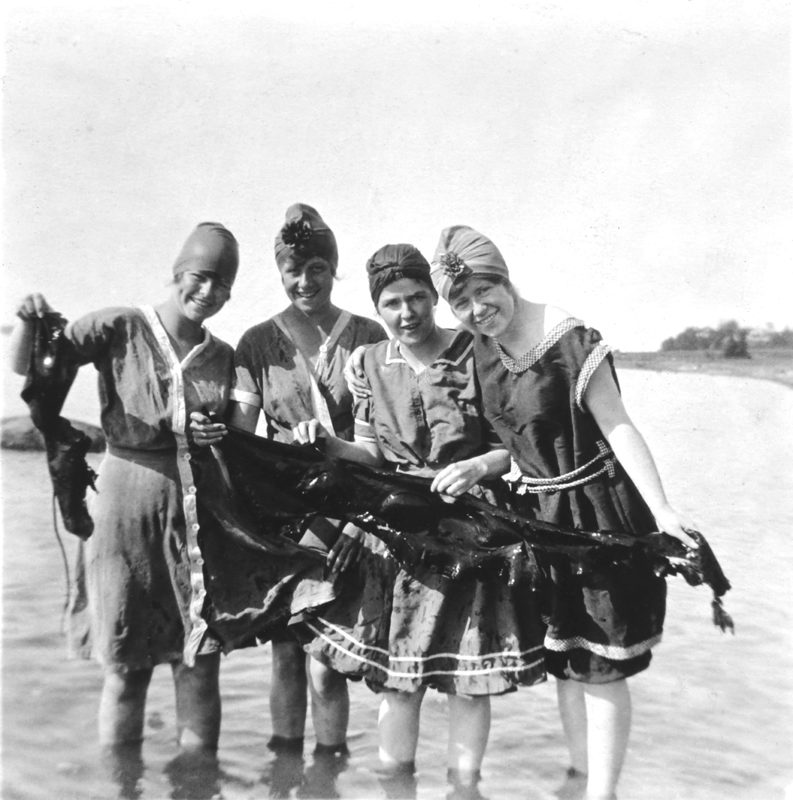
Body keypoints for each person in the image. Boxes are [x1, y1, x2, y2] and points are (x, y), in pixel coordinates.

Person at [428, 225, 698, 800]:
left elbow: (618, 426)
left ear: (504, 278)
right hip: (543, 519)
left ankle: (602, 794)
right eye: (462, 303)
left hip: (598, 512)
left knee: (603, 662)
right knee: (569, 661)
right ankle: (578, 781)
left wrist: (664, 510)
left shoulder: (568, 337)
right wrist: (481, 467)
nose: (477, 310)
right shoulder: (483, 347)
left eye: (484, 293)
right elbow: (517, 443)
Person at [292, 243, 546, 797]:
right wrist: (328, 443)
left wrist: (478, 465)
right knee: (398, 680)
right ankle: (394, 786)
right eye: (391, 303)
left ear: (434, 298)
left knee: (469, 680)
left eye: (416, 299)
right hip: (398, 530)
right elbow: (370, 455)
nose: (406, 313)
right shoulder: (367, 363)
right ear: (377, 308)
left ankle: (464, 787)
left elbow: (514, 447)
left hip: (472, 528)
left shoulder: (477, 351)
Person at [10, 222, 240, 753]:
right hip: (123, 510)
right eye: (200, 277)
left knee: (200, 665)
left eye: (221, 284)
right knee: (127, 666)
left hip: (196, 516)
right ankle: (120, 786)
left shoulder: (222, 355)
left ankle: (197, 787)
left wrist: (212, 434)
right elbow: (31, 368)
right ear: (178, 273)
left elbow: (238, 436)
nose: (208, 293)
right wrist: (27, 323)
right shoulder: (120, 325)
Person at [193, 203, 386, 758]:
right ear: (279, 274)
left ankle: (329, 762)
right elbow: (242, 437)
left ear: (333, 269)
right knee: (283, 651)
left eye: (317, 269)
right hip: (283, 516)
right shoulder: (257, 343)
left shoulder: (370, 336)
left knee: (328, 657)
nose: (305, 282)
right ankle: (287, 776)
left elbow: (384, 439)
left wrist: (356, 511)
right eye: (292, 271)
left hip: (350, 512)